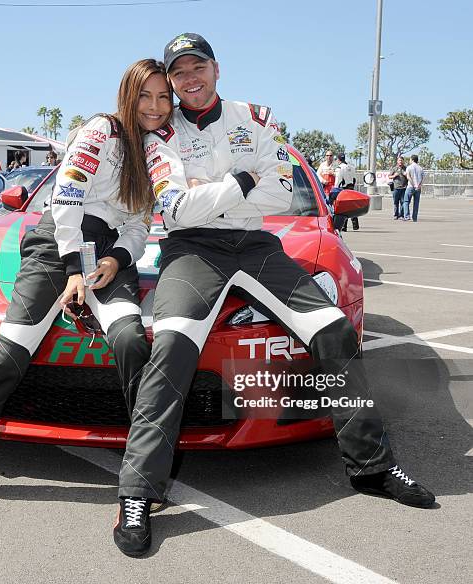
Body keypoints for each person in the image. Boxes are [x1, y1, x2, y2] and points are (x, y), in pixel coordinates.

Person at [113, 33, 435, 557]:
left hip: (258, 243)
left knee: (333, 331)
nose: (189, 78)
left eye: (198, 67)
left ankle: (371, 466)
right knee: (169, 346)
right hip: (192, 250)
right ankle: (137, 493)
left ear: (216, 70)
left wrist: (213, 194)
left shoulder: (256, 117)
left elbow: (281, 191)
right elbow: (174, 212)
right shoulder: (159, 134)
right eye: (179, 73)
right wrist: (242, 181)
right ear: (170, 81)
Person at [0, 58, 173, 509]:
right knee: (12, 348)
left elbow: (138, 226)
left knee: (132, 342)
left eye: (162, 97)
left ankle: (147, 461)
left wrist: (116, 261)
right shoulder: (100, 130)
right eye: (145, 95)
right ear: (128, 95)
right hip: (58, 242)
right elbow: (67, 201)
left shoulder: (156, 152)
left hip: (108, 255)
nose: (154, 106)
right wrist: (75, 269)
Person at [332, 152, 359, 231]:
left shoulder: (339, 168)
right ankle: (355, 224)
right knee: (352, 206)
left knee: (344, 208)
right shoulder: (351, 167)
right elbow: (354, 179)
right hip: (351, 188)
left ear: (338, 160)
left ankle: (344, 226)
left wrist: (335, 190)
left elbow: (338, 180)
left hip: (343, 189)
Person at [403, 154, 424, 221]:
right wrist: (419, 185)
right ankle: (415, 217)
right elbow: (422, 178)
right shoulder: (420, 168)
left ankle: (407, 216)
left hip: (411, 187)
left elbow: (408, 177)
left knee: (406, 201)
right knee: (416, 203)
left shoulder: (409, 167)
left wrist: (413, 184)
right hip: (418, 188)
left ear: (412, 160)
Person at [388, 156, 408, 220]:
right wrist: (394, 175)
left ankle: (401, 215)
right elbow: (389, 176)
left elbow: (409, 177)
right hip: (396, 188)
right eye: (399, 160)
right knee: (395, 202)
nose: (400, 161)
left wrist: (406, 175)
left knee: (403, 202)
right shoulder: (394, 168)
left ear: (403, 161)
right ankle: (395, 215)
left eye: (401, 160)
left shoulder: (406, 168)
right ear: (397, 161)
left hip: (403, 188)